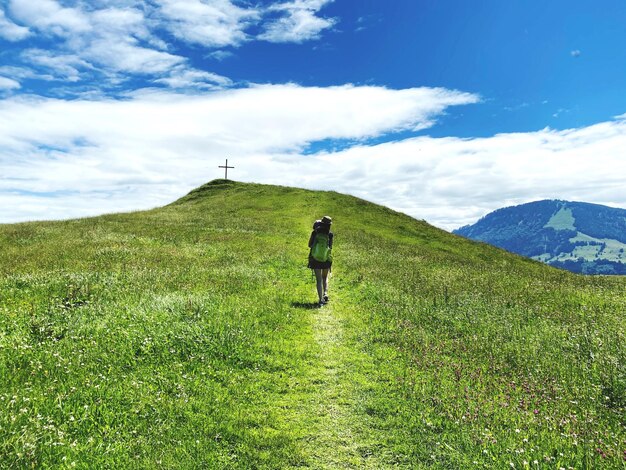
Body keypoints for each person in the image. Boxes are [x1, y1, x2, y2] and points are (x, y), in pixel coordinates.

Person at [308, 216, 333, 306]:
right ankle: (325, 293)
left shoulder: (315, 232)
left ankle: (320, 300)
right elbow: (330, 247)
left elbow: (309, 245)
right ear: (329, 225)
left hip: (315, 258)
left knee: (318, 280)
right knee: (325, 277)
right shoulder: (330, 234)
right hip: (326, 259)